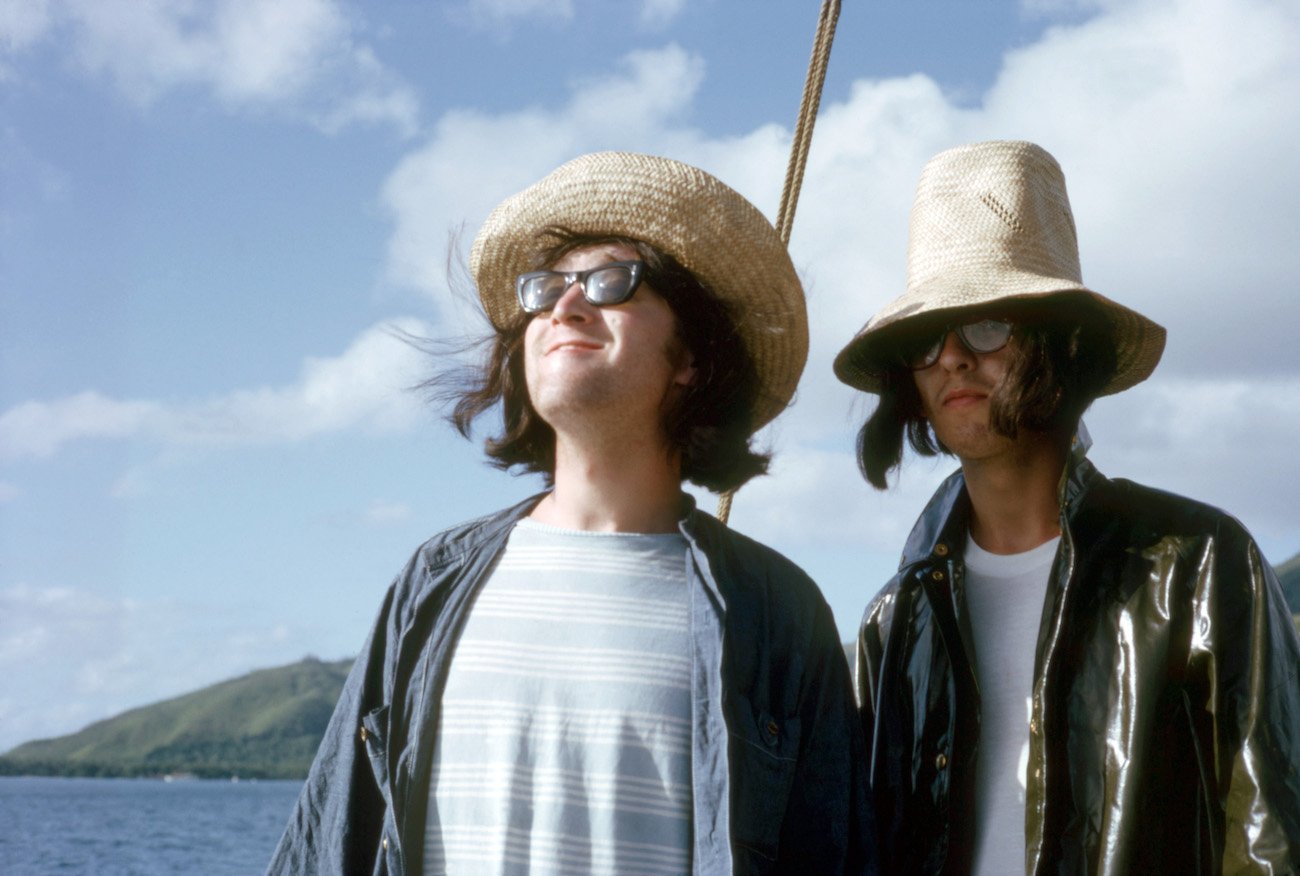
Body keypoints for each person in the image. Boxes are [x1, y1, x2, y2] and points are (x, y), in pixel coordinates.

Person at [268, 151, 873, 875]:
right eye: (548, 287)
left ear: (693, 359)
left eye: (612, 284)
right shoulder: (433, 582)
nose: (566, 305)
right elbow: (331, 840)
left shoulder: (776, 612)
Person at [834, 140, 1300, 874]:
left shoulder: (1199, 563)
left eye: (988, 325)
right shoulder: (894, 620)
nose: (953, 356)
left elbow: (1271, 836)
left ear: (1064, 341)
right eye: (927, 337)